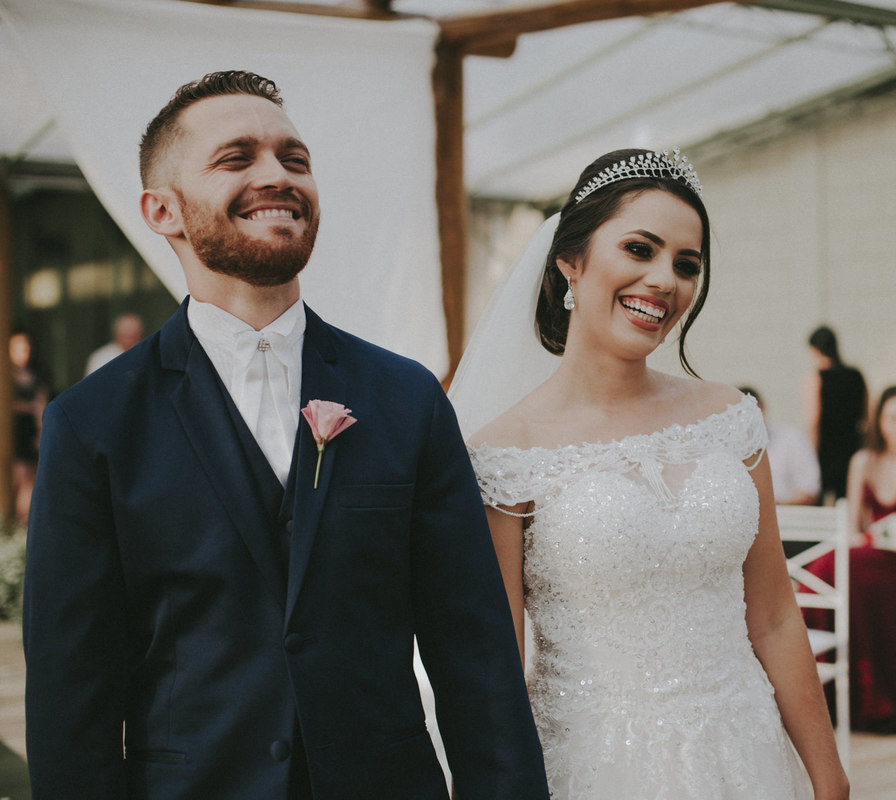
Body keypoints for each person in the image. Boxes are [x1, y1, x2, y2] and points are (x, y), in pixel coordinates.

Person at [22, 71, 548, 800]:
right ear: (162, 211)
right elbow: (70, 689)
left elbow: (475, 653)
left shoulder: (406, 398)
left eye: (293, 159)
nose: (277, 175)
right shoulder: (91, 422)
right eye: (237, 158)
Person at [448, 148, 848, 800]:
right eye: (641, 249)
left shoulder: (730, 418)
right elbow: (498, 664)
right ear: (569, 261)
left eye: (686, 265)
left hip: (748, 759)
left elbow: (774, 616)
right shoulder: (505, 452)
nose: (665, 279)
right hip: (596, 770)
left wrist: (829, 778)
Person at [805, 385, 896, 733]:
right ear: (879, 422)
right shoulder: (864, 461)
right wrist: (873, 539)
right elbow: (853, 527)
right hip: (872, 555)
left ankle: (871, 697)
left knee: (836, 567)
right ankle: (826, 690)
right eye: (893, 418)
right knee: (836, 565)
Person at [801, 325, 867, 501]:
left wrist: (810, 456)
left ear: (815, 350)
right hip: (852, 448)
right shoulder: (856, 376)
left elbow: (813, 422)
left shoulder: (816, 378)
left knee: (819, 503)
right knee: (849, 501)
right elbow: (867, 417)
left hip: (826, 452)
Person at [741, 385, 822, 505]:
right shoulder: (723, 447)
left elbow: (809, 491)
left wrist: (772, 507)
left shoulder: (792, 440)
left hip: (787, 518)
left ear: (761, 408)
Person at [10, 329, 50, 522]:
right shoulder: (6, 376)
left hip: (29, 431)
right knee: (17, 477)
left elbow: (41, 402)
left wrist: (41, 431)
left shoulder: (36, 373)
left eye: (25, 347)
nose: (23, 352)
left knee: (29, 478)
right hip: (11, 433)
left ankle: (22, 525)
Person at [84, 312, 145, 377]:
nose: (129, 340)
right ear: (116, 334)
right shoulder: (101, 357)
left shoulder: (148, 354)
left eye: (133, 336)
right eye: (125, 335)